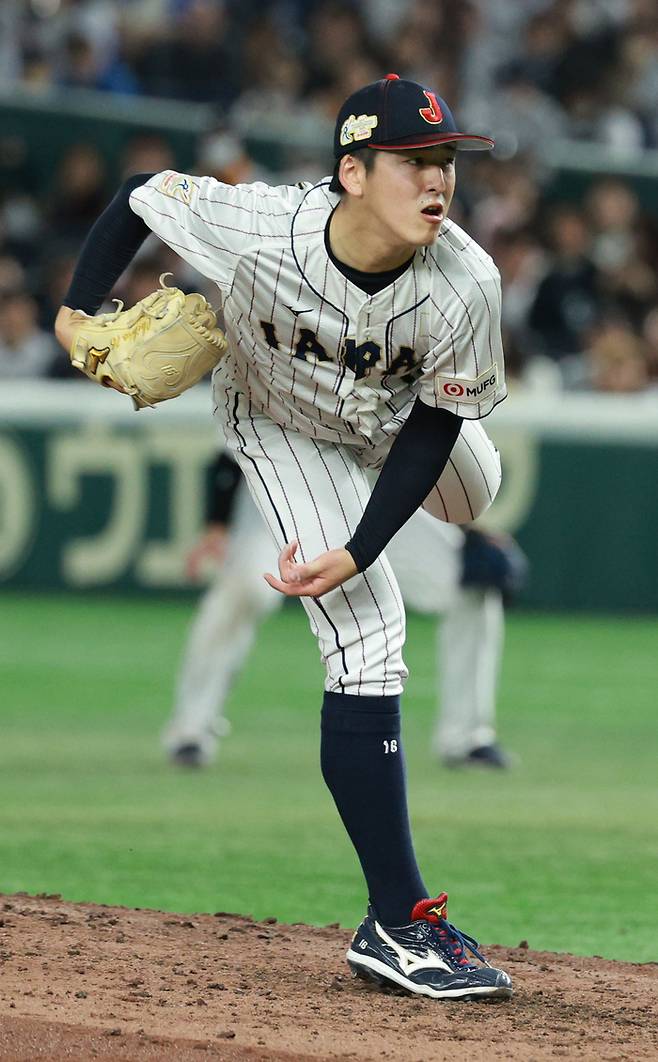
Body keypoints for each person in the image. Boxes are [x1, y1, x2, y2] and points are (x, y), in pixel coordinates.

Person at [55, 73, 513, 1001]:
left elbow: (432, 429)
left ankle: (396, 921)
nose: (438, 181)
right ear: (352, 172)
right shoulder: (260, 225)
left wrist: (367, 539)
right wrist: (75, 308)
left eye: (446, 163)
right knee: (367, 630)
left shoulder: (466, 280)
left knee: (472, 497)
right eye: (413, 163)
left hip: (398, 423)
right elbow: (140, 195)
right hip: (281, 423)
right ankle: (398, 920)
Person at [165, 450, 525, 770]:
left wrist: (464, 524)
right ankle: (190, 730)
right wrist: (217, 524)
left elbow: (433, 432)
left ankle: (467, 737)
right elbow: (228, 446)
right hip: (289, 481)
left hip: (375, 492)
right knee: (241, 592)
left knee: (474, 579)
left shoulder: (406, 371)